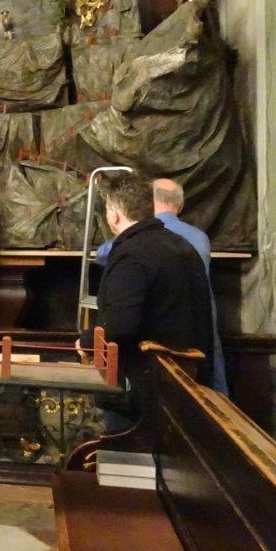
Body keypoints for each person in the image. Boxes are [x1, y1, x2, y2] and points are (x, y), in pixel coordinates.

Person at [81, 172, 214, 412]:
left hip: (147, 386)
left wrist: (86, 341)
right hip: (188, 380)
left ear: (114, 213)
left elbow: (121, 323)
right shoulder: (181, 245)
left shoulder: (131, 254)